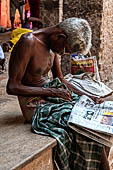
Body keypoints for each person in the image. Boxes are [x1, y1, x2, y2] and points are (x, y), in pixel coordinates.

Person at [6, 17, 110, 170]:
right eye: (65, 49)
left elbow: (61, 80)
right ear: (60, 37)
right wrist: (52, 91)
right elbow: (12, 87)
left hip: (51, 95)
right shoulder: (28, 42)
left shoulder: (53, 47)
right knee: (80, 124)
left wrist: (89, 96)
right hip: (32, 103)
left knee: (99, 120)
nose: (63, 53)